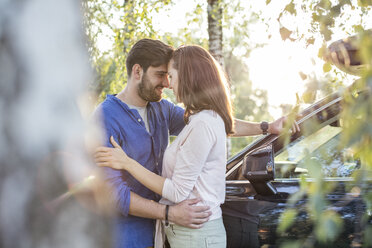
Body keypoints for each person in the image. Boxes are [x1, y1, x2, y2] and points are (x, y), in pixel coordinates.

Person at [93, 39, 299, 248]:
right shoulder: (104, 117)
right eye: (160, 75)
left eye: (169, 75)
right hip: (128, 238)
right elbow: (112, 193)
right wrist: (168, 213)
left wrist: (265, 127)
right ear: (137, 72)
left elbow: (212, 125)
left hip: (164, 234)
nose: (166, 83)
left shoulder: (161, 109)